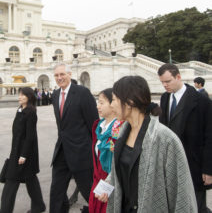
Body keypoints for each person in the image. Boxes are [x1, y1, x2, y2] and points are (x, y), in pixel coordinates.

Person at [97, 75, 197, 212]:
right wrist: (109, 184)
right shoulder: (122, 133)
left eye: (114, 99)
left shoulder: (166, 139)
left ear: (130, 102)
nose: (112, 105)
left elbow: (182, 194)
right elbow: (121, 171)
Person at [158, 64, 212, 212]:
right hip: (171, 162)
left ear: (178, 77)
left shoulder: (202, 101)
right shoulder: (164, 98)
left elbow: (209, 136)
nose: (164, 85)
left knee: (197, 205)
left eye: (168, 81)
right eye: (162, 82)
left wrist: (208, 169)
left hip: (194, 163)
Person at [50, 63, 98, 213]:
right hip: (62, 152)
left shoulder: (82, 93)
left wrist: (93, 150)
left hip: (81, 153)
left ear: (70, 74)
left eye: (62, 74)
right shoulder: (55, 95)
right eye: (56, 75)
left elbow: (93, 124)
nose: (59, 78)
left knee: (88, 191)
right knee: (56, 191)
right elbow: (61, 126)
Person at [0, 87, 46, 213]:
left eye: (23, 95)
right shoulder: (20, 110)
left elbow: (30, 136)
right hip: (17, 151)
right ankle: (39, 206)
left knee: (11, 181)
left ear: (29, 97)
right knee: (30, 179)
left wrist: (24, 155)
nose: (20, 97)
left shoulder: (30, 112)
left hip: (24, 153)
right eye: (19, 95)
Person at [89, 88, 124, 213]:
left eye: (102, 103)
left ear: (113, 103)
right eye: (98, 102)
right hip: (98, 182)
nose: (98, 106)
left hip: (112, 183)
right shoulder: (99, 126)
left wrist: (110, 183)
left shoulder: (120, 129)